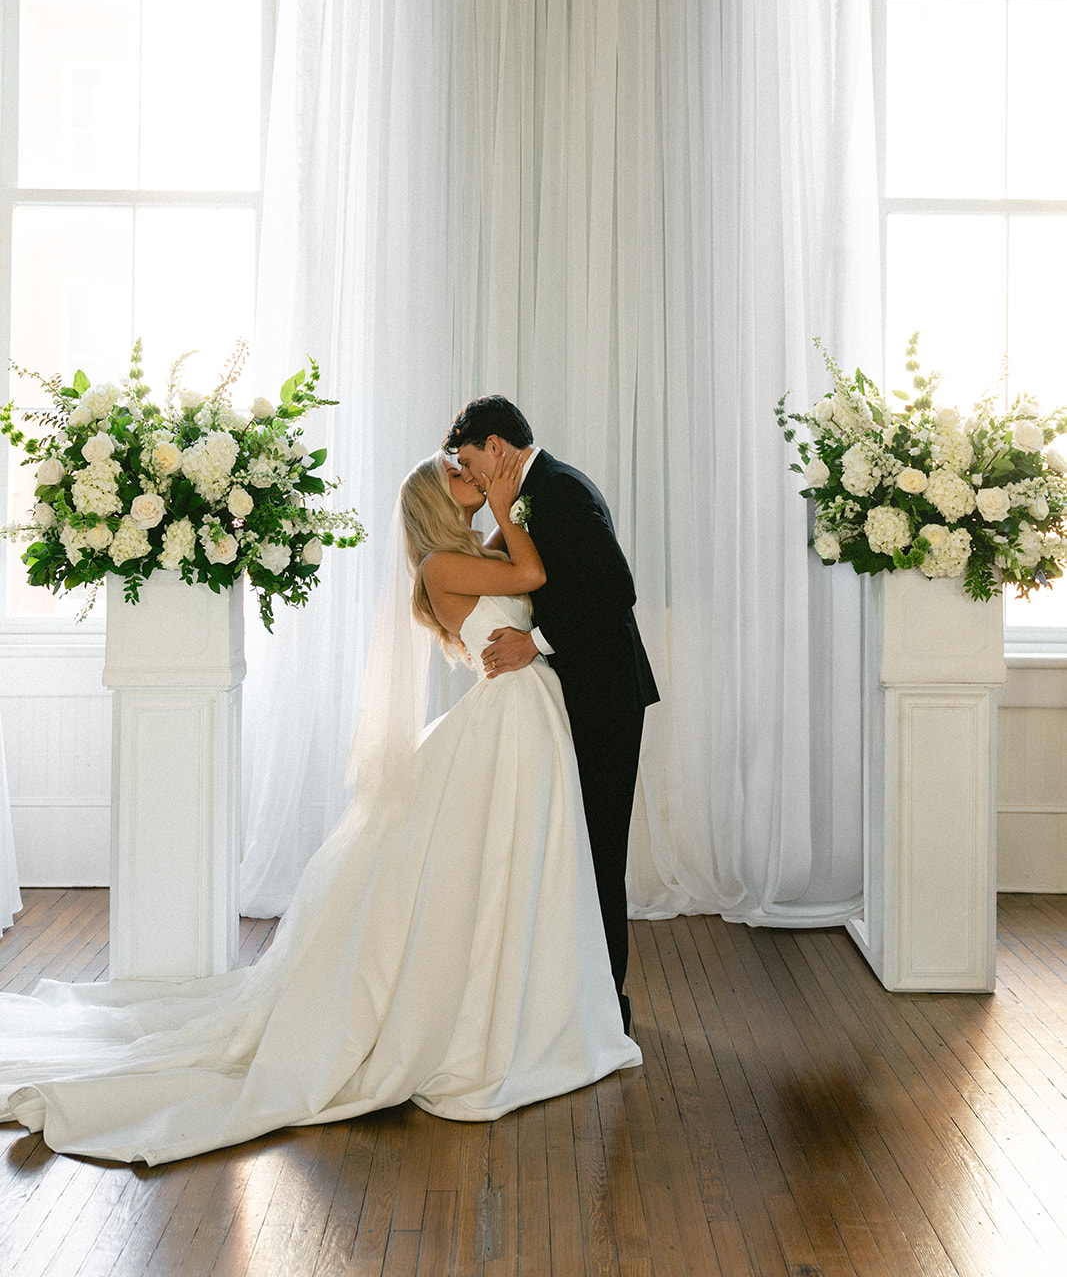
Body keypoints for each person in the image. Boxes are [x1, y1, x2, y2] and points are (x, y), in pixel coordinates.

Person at [0, 451, 639, 1165]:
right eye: (457, 475)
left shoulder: (464, 554)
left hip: (525, 715)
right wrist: (507, 502)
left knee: (519, 865)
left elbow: (528, 574)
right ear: (438, 499)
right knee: (493, 860)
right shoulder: (442, 565)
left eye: (471, 469)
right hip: (510, 717)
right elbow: (532, 576)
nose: (472, 476)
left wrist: (499, 513)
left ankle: (531, 1006)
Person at [445, 397, 659, 1034]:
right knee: (578, 847)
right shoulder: (532, 491)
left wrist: (535, 643)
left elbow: (616, 590)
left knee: (599, 847)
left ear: (496, 446)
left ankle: (607, 1007)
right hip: (576, 691)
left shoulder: (559, 490)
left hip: (605, 694)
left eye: (469, 461)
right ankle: (581, 995)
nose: (471, 475)